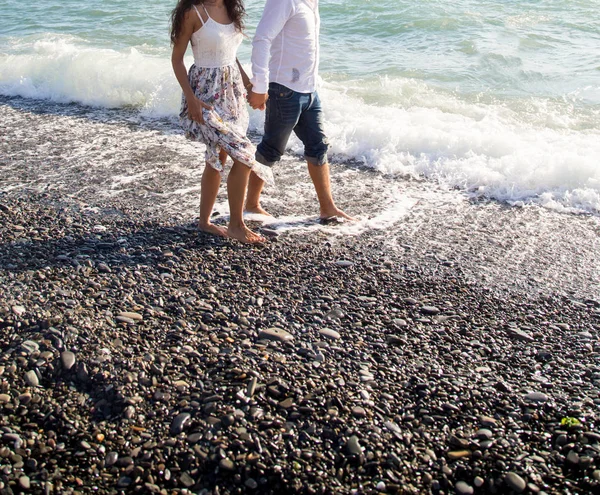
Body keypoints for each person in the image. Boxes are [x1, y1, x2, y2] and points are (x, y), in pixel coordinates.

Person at [170, 0, 274, 244]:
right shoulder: (192, 12)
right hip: (205, 93)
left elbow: (230, 54)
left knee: (218, 157)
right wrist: (191, 99)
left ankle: (204, 222)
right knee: (244, 154)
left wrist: (249, 84)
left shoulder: (231, 8)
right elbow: (177, 59)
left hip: (233, 92)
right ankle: (236, 225)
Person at [246, 0, 353, 222]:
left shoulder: (311, 3)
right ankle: (251, 204)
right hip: (284, 89)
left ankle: (328, 207)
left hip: (310, 90)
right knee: (271, 149)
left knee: (318, 146)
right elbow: (262, 39)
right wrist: (260, 86)